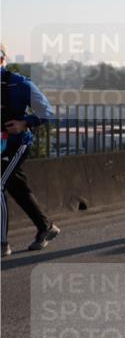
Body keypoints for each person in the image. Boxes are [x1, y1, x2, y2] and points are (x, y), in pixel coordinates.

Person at [1, 44, 60, 256]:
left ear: (2, 59)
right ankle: (46, 228)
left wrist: (24, 122)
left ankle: (2, 244)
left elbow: (47, 112)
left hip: (18, 143)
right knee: (16, 185)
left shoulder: (20, 84)